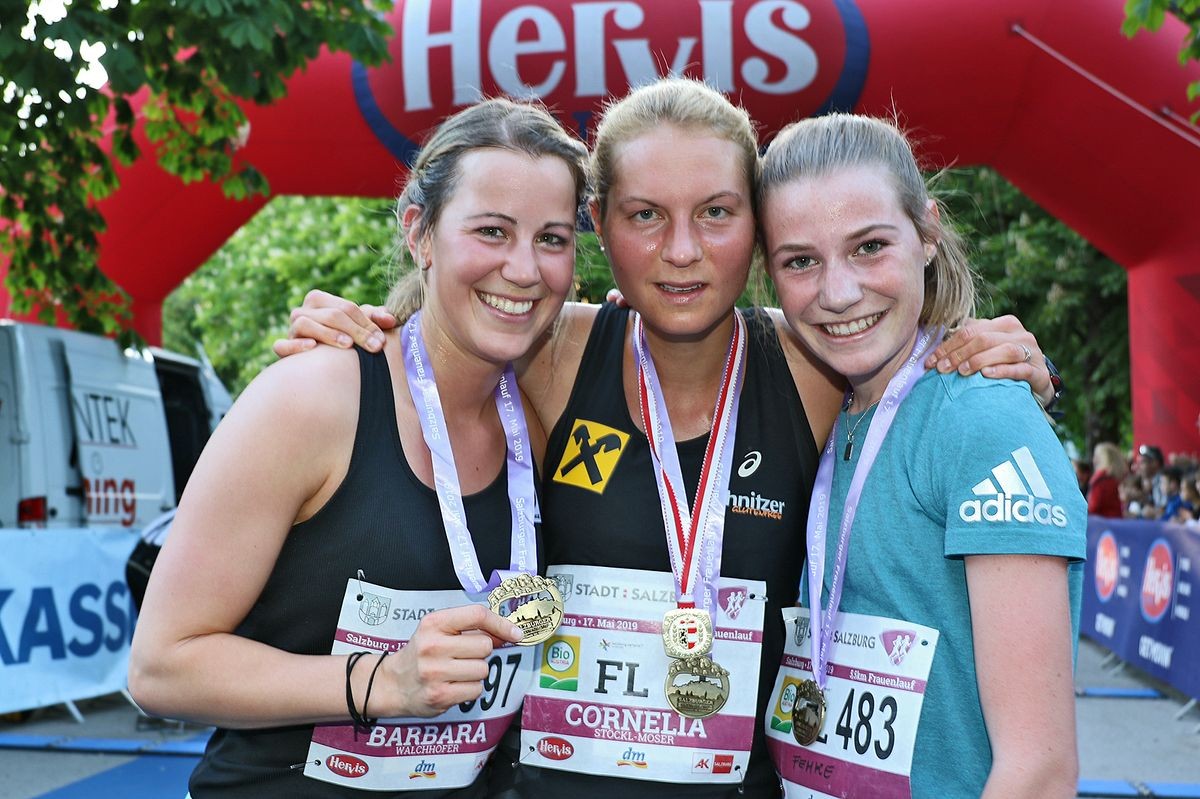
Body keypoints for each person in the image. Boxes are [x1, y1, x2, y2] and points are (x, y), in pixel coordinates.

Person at [280, 79, 1056, 798]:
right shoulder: (550, 352)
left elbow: (902, 359)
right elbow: (446, 336)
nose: (681, 251)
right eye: (645, 214)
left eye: (716, 212)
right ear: (599, 224)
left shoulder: (815, 366)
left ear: (756, 228)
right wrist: (357, 333)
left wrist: (1002, 361)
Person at [127, 98, 590, 798]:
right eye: (492, 231)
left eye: (552, 239)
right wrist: (385, 681)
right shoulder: (314, 397)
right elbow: (161, 667)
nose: (524, 269)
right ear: (420, 232)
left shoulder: (548, 407)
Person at [757, 113, 1084, 798]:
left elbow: (1040, 771)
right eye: (801, 261)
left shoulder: (981, 418)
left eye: (870, 246)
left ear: (927, 234)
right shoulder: (811, 399)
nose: (838, 293)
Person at [1088, 442, 1127, 518]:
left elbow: (1093, 507)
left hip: (1101, 521)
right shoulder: (1114, 479)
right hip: (1116, 519)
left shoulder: (1100, 480)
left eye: (1096, 456)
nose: (1093, 460)